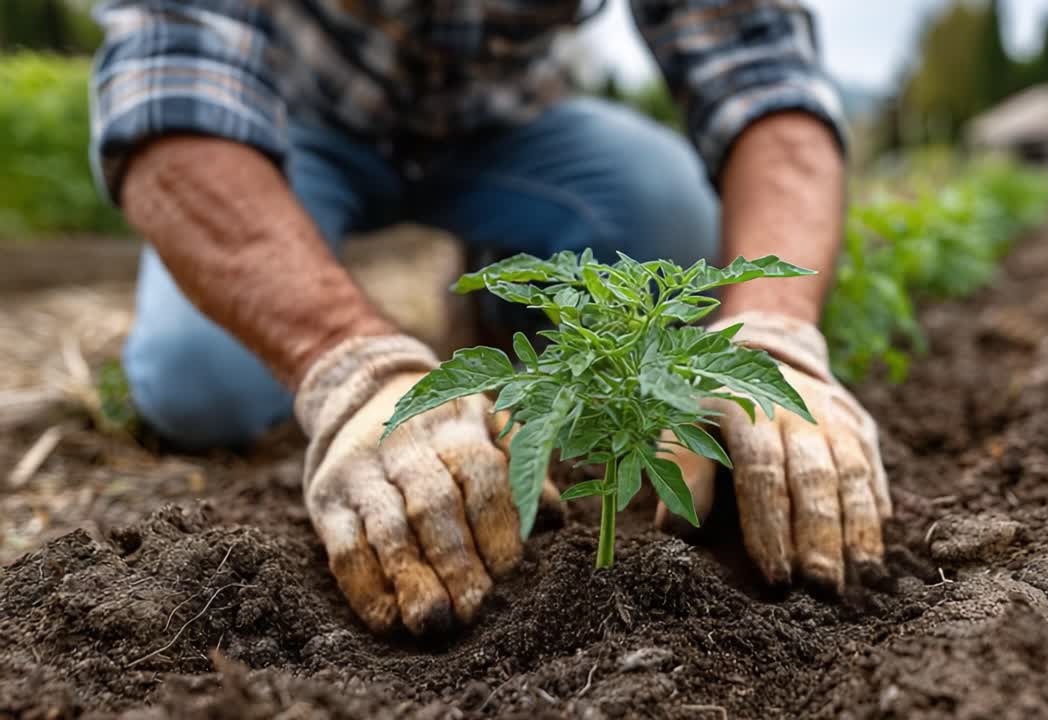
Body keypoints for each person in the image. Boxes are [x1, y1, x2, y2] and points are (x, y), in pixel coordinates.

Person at [91, 0, 891, 635]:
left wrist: (776, 333)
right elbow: (171, 84)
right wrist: (348, 365)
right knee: (203, 380)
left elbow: (761, 69)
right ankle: (381, 321)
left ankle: (489, 297)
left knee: (670, 217)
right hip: (286, 121)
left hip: (504, 129)